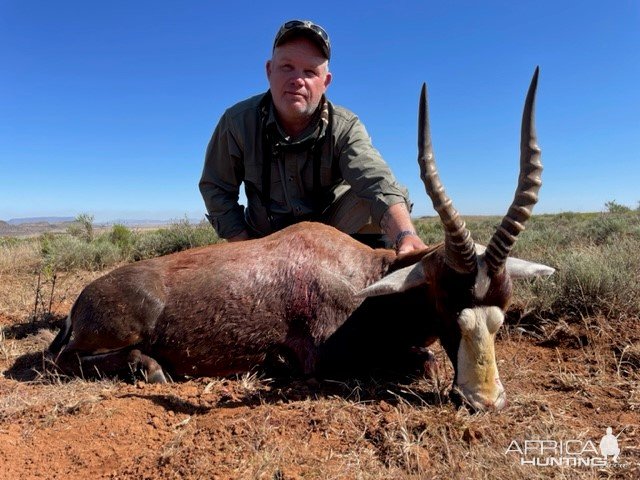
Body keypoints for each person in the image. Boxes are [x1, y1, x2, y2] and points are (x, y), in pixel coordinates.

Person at [199, 19, 426, 254]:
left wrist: (406, 235)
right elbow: (216, 188)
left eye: (310, 71)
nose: (298, 80)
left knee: (380, 197)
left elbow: (375, 180)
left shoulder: (345, 126)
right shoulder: (237, 122)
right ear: (269, 71)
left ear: (325, 82)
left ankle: (370, 272)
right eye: (287, 66)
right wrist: (244, 248)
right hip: (265, 239)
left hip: (330, 234)